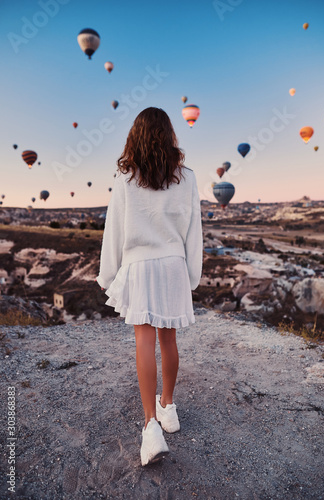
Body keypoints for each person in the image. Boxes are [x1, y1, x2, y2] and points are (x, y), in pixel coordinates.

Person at [95, 107, 203, 466]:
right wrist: (191, 276)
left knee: (144, 340)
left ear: (135, 136)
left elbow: (115, 230)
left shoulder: (127, 178)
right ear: (170, 135)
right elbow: (194, 231)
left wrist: (107, 274)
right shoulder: (186, 178)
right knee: (168, 339)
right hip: (173, 264)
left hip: (139, 265)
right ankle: (168, 406)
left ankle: (150, 427)